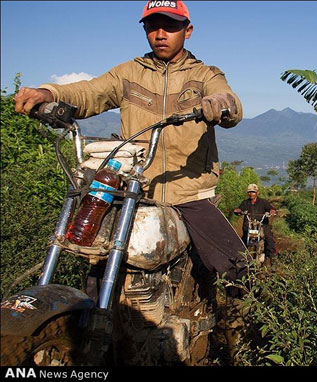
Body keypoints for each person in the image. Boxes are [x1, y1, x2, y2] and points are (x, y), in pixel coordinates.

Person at [13, 1, 248, 293]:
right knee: (97, 263)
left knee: (236, 268)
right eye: (153, 26)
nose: (160, 34)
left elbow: (228, 99)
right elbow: (89, 92)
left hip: (189, 191)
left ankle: (232, 328)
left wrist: (222, 103)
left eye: (170, 26)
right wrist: (49, 92)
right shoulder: (128, 74)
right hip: (134, 188)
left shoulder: (205, 75)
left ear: (187, 31)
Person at [234, 184, 277, 260]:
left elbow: (270, 208)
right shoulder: (245, 202)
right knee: (243, 243)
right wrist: (238, 210)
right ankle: (242, 260)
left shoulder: (263, 202)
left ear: (257, 193)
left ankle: (272, 259)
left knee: (269, 239)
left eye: (253, 192)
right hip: (249, 226)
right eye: (249, 192)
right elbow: (240, 209)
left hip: (262, 226)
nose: (251, 194)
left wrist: (272, 211)